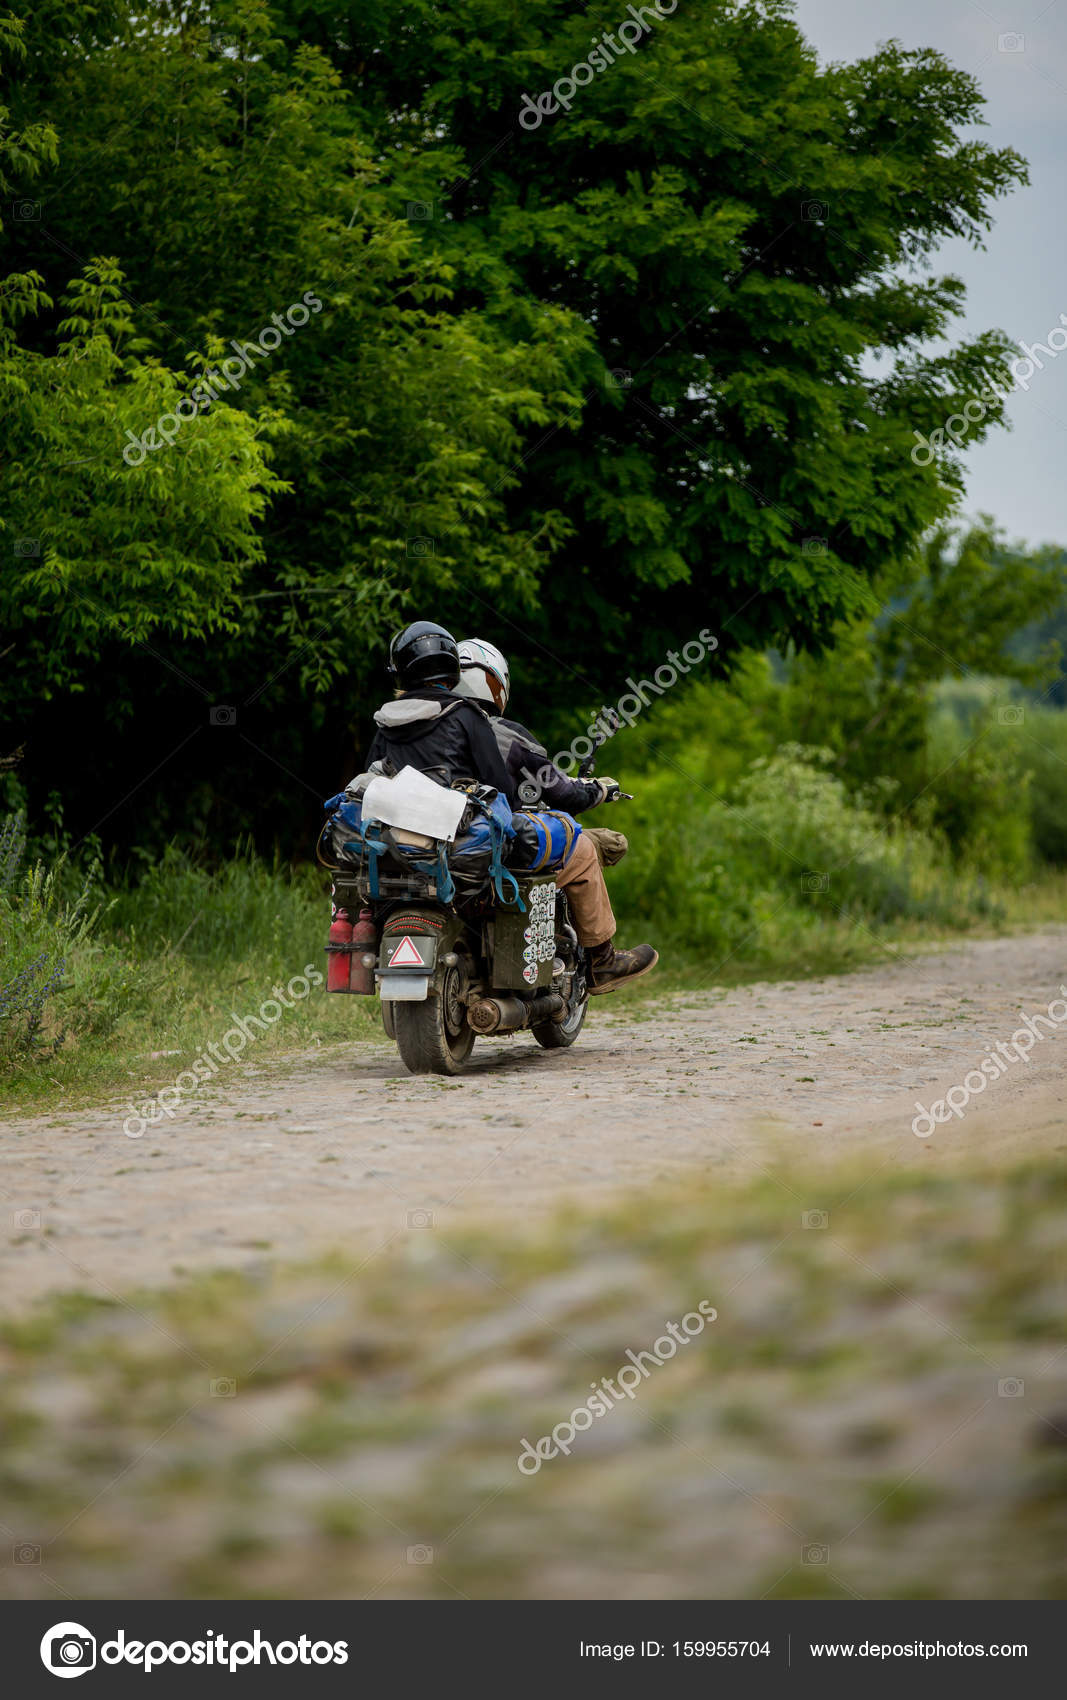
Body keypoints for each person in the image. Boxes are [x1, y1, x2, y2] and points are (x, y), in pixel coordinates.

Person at [451, 635, 657, 994]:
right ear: (493, 682)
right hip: (492, 851)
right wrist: (599, 789)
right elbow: (562, 792)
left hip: (434, 848)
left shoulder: (424, 728)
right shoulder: (504, 734)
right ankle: (602, 961)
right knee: (582, 850)